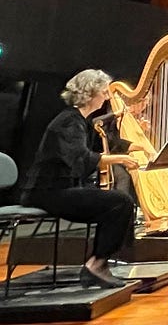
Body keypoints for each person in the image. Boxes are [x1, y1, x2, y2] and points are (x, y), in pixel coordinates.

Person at [22, 70, 139, 288]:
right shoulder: (69, 121)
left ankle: (98, 263)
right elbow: (82, 158)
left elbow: (90, 152)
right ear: (90, 93)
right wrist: (119, 159)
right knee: (120, 202)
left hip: (61, 190)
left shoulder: (78, 120)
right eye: (103, 92)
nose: (106, 97)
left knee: (117, 203)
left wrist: (128, 148)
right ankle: (97, 264)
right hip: (47, 193)